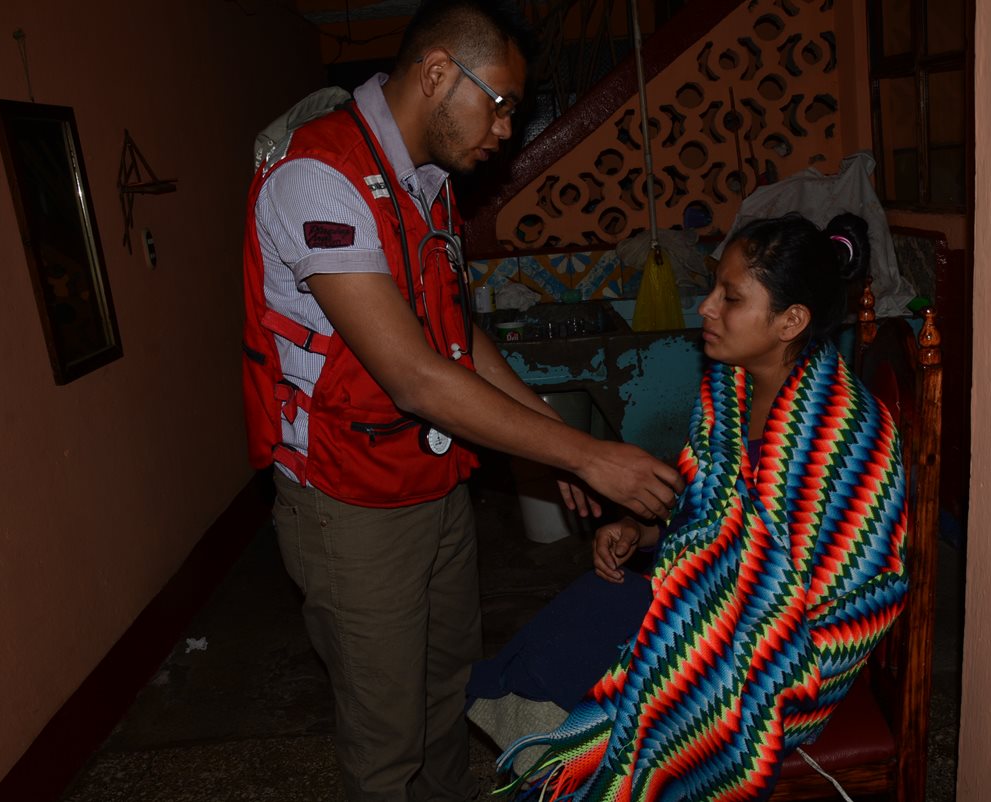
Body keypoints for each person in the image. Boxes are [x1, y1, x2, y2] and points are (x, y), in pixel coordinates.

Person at [240, 2, 684, 799]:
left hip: (435, 483)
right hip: (351, 501)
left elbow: (454, 336)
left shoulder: (429, 181)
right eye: (503, 102)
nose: (509, 128)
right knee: (387, 734)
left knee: (449, 694)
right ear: (438, 72)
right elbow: (413, 375)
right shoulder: (320, 178)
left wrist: (544, 432)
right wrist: (585, 452)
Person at [485, 212, 910, 800]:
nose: (706, 307)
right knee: (556, 647)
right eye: (714, 287)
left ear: (791, 320)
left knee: (647, 703)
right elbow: (704, 507)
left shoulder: (843, 434)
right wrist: (641, 529)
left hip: (786, 658)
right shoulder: (729, 388)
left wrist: (722, 633)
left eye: (730, 297)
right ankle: (549, 762)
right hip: (712, 595)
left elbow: (858, 595)